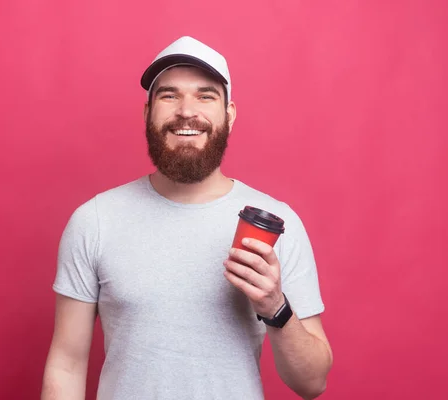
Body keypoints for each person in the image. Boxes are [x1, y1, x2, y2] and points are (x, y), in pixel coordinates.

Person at [41, 36, 333, 400]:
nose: (185, 111)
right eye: (169, 95)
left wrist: (275, 306)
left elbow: (312, 383)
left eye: (206, 95)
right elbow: (67, 364)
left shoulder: (276, 224)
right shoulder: (94, 221)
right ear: (147, 113)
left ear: (229, 115)